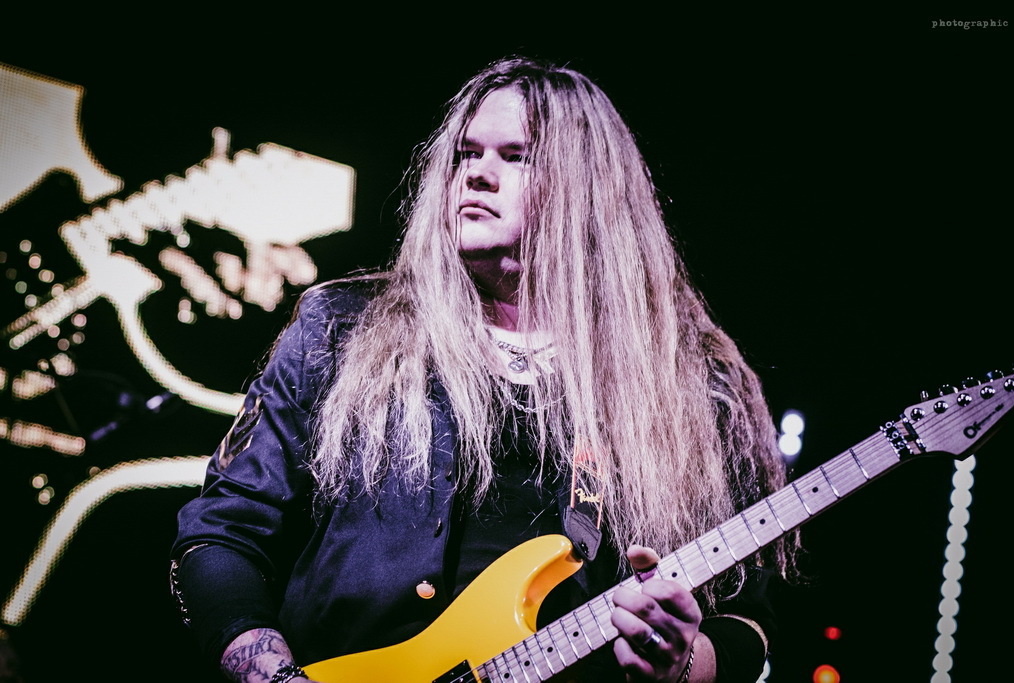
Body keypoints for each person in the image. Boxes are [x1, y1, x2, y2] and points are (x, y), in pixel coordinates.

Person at [170, 56, 801, 683]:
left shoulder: (690, 381)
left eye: (516, 156)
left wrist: (685, 662)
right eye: (466, 154)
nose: (476, 173)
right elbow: (221, 534)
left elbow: (751, 614)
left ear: (590, 188)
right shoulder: (341, 328)